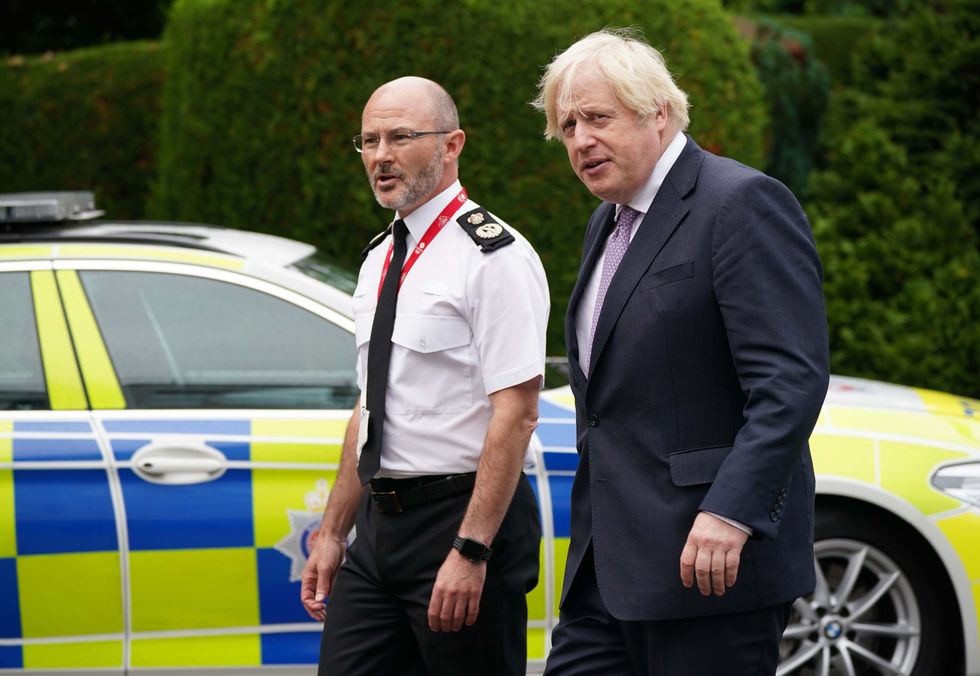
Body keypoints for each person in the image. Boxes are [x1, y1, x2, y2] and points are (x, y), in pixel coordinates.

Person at [532, 29, 830, 675]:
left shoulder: (740, 203)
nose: (581, 140)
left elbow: (790, 381)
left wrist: (731, 510)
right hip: (608, 571)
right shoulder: (606, 221)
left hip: (709, 568)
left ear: (658, 113)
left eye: (598, 118)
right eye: (569, 125)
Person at [300, 76, 548, 676]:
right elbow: (371, 404)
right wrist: (333, 531)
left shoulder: (496, 258)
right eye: (368, 140)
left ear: (452, 144)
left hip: (459, 520)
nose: (381, 155)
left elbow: (516, 411)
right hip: (378, 530)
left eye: (401, 137)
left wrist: (471, 548)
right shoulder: (379, 257)